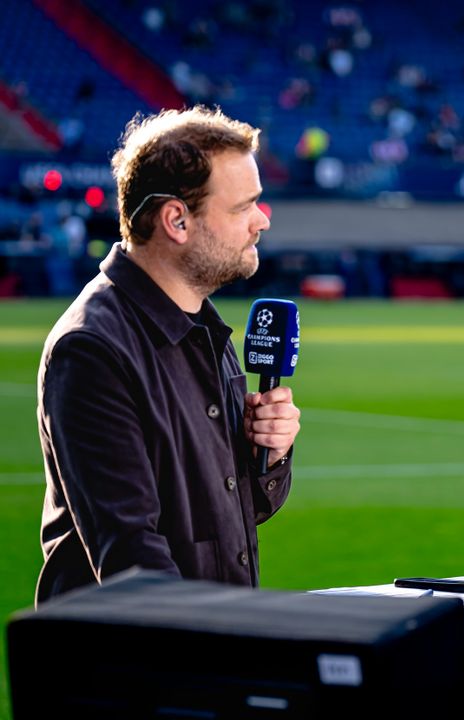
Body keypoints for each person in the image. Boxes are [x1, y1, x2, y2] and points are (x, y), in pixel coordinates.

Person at [36, 107, 301, 604]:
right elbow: (133, 561)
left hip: (204, 644)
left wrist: (271, 453)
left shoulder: (203, 327)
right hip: (132, 668)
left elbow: (231, 516)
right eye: (245, 206)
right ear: (176, 220)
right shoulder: (93, 348)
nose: (261, 221)